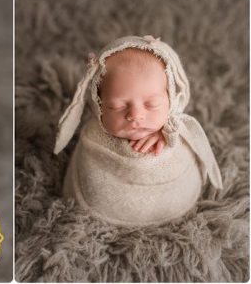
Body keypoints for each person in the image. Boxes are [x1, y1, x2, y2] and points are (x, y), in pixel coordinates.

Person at [54, 35, 223, 226]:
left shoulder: (176, 131)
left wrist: (168, 132)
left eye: (152, 104)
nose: (135, 115)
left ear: (172, 99)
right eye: (117, 107)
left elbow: (179, 141)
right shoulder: (93, 140)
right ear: (98, 104)